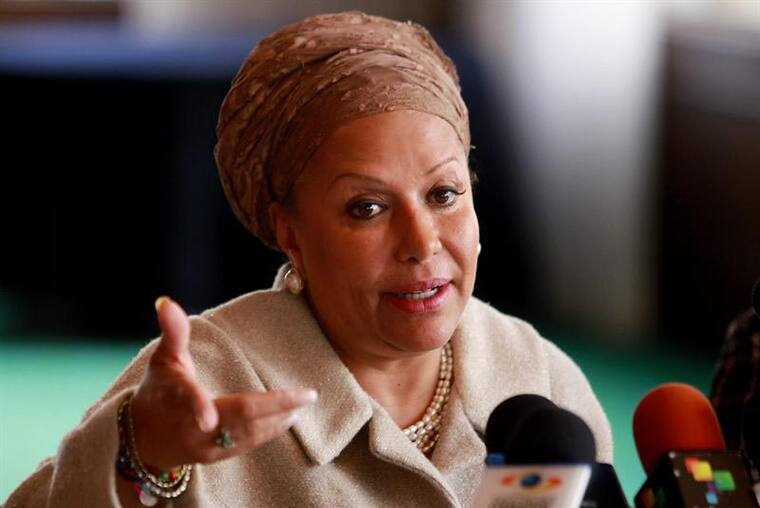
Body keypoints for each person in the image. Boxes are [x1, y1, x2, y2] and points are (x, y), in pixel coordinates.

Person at [5, 11, 612, 508]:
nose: (422, 241)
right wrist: (139, 456)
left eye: (444, 194)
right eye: (367, 208)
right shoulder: (207, 380)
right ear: (289, 232)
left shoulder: (538, 377)